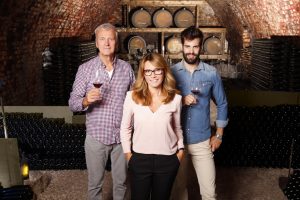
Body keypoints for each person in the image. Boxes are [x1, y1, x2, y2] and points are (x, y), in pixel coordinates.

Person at [68, 23, 135, 200]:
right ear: (96, 43)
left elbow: (135, 101)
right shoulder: (85, 69)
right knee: (95, 185)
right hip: (96, 137)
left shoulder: (126, 69)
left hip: (121, 138)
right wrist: (86, 100)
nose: (107, 43)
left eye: (111, 39)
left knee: (121, 184)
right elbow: (73, 104)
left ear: (116, 42)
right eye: (102, 39)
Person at [170, 26, 228, 200]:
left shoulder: (211, 74)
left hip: (202, 140)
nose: (191, 51)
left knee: (209, 193)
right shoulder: (171, 73)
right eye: (187, 46)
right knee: (178, 192)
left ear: (201, 47)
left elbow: (223, 103)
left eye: (195, 47)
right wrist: (180, 99)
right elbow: (162, 102)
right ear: (182, 46)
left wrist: (218, 135)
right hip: (176, 141)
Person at [120, 53, 184, 200]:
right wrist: (128, 155)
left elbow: (177, 128)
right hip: (139, 159)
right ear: (143, 74)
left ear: (164, 71)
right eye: (148, 71)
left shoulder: (175, 98)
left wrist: (180, 152)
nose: (153, 75)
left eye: (157, 70)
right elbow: (125, 128)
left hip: (167, 160)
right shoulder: (131, 97)